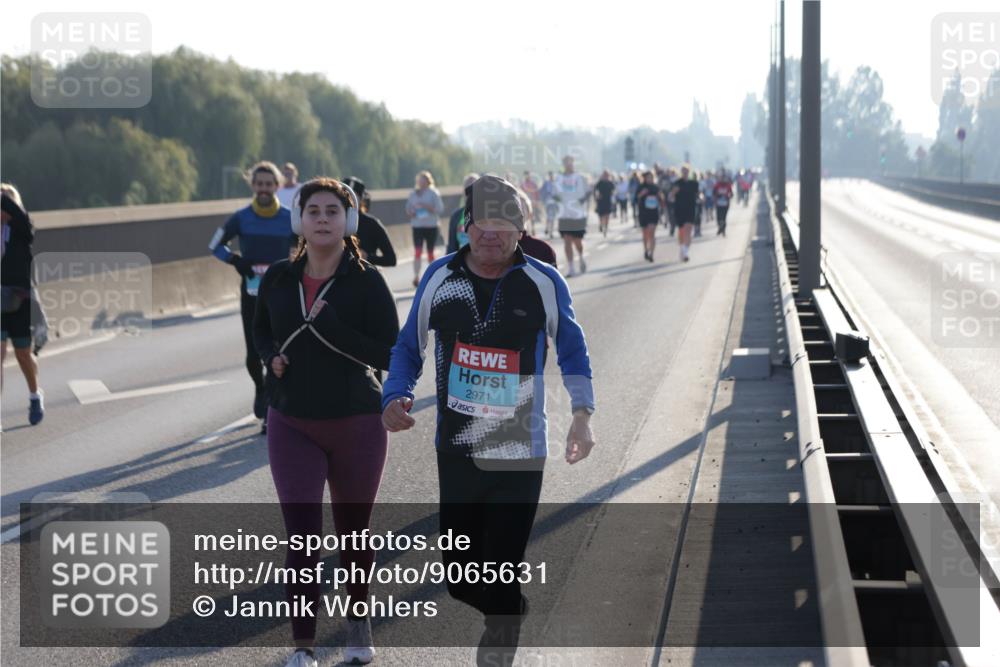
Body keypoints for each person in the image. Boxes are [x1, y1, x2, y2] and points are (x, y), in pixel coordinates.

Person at [381, 174, 595, 666]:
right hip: (455, 447)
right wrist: (395, 394)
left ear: (521, 229)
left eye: (503, 223)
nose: (490, 234)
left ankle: (499, 641)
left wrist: (582, 415)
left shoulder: (542, 281)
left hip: (519, 447)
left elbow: (573, 350)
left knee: (501, 563)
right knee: (458, 575)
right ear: (465, 225)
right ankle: (511, 609)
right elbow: (408, 347)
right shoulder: (440, 278)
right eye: (480, 222)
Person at [254, 178, 399, 667]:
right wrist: (271, 355)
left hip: (357, 421)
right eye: (312, 210)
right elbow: (260, 331)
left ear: (349, 220)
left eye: (332, 211)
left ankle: (358, 626)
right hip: (291, 420)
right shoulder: (278, 277)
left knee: (354, 534)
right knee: (301, 536)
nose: (321, 218)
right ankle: (303, 645)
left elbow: (389, 353)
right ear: (298, 220)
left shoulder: (367, 280)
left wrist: (333, 330)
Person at [209, 161, 295, 432]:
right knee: (253, 352)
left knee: (279, 350)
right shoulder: (241, 217)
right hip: (252, 293)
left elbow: (306, 246)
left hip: (282, 294)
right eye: (259, 184)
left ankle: (271, 406)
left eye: (269, 184)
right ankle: (260, 388)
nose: (264, 189)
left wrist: (295, 265)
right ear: (253, 186)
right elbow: (215, 245)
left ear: (277, 186)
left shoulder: (290, 218)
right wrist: (236, 260)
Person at [1, 185, 45, 425]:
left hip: (21, 300)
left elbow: (21, 219)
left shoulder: (22, 229)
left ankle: (34, 394)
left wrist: (4, 199)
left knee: (22, 355)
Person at [342, 177, 397, 267]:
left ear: (361, 200)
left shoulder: (372, 224)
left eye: (354, 197)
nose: (349, 200)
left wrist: (368, 257)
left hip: (364, 275)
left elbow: (391, 259)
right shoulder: (329, 222)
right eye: (346, 196)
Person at [405, 170, 445, 287]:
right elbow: (408, 209)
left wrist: (427, 207)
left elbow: (440, 209)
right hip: (417, 226)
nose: (421, 182)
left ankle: (433, 275)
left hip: (431, 226)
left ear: (428, 181)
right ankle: (416, 276)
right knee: (417, 251)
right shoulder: (413, 194)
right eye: (419, 180)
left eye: (423, 180)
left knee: (430, 252)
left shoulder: (433, 193)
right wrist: (411, 212)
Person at [554, 156, 589, 277]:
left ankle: (581, 257)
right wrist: (559, 200)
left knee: (577, 241)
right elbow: (554, 194)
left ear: (573, 164)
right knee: (567, 240)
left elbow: (588, 192)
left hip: (578, 215)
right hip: (564, 214)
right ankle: (571, 267)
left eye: (570, 163)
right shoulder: (559, 178)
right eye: (566, 163)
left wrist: (580, 201)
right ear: (563, 164)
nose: (568, 165)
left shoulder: (580, 178)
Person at [514, 188, 558, 267]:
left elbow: (552, 279)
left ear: (529, 213)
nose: (516, 213)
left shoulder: (543, 249)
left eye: (520, 208)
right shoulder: (491, 248)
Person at [670, 165, 700, 263]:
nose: (685, 173)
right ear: (681, 172)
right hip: (679, 209)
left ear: (689, 172)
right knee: (681, 231)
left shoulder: (694, 183)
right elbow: (670, 197)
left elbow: (698, 194)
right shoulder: (676, 183)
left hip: (690, 208)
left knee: (689, 229)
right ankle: (682, 248)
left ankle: (686, 252)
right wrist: (674, 192)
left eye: (687, 171)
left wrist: (701, 197)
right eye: (683, 171)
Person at [635, 170, 664, 262]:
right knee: (645, 233)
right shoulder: (640, 187)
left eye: (651, 177)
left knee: (652, 233)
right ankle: (646, 250)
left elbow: (662, 200)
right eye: (648, 177)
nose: (649, 179)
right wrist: (641, 194)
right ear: (644, 178)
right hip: (643, 212)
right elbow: (635, 199)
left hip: (653, 212)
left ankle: (651, 253)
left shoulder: (655, 187)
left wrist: (661, 197)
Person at [448, 173, 480, 253]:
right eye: (467, 188)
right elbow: (452, 245)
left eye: (473, 188)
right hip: (461, 259)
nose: (470, 192)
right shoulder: (456, 215)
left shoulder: (488, 215)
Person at [593, 170, 615, 237]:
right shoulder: (600, 183)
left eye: (607, 175)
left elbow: (614, 190)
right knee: (601, 214)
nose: (606, 176)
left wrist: (613, 196)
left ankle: (606, 227)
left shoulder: (610, 183)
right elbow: (595, 190)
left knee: (607, 215)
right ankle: (601, 224)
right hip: (601, 201)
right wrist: (596, 196)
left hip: (608, 201)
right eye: (605, 175)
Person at [713, 171, 734, 237]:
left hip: (725, 204)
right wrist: (717, 197)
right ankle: (720, 228)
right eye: (721, 178)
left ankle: (723, 230)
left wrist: (728, 196)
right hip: (718, 204)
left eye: (724, 178)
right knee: (718, 218)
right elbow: (713, 193)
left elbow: (731, 194)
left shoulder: (728, 185)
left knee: (724, 218)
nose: (723, 179)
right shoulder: (717, 185)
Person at [539, 171, 558, 238]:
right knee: (550, 217)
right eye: (550, 175)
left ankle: (550, 231)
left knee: (552, 217)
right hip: (548, 202)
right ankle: (548, 229)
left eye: (552, 175)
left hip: (554, 203)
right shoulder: (546, 183)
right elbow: (541, 191)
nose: (551, 177)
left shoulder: (556, 183)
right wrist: (542, 200)